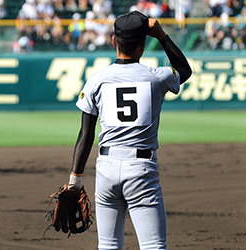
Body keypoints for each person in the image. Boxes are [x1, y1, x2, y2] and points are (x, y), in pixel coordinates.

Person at [65, 11, 192, 250]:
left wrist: (75, 181)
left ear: (114, 41)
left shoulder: (96, 80)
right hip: (141, 170)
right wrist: (162, 36)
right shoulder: (157, 77)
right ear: (143, 46)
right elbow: (184, 70)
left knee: (109, 246)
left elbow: (85, 135)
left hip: (106, 168)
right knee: (153, 245)